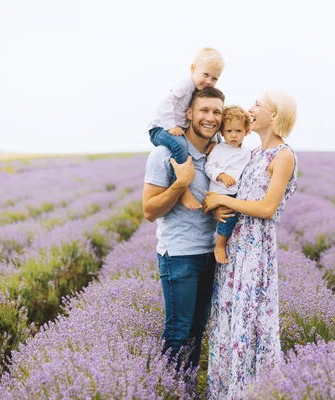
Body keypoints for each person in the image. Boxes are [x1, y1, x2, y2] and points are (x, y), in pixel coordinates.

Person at [203, 90, 298, 399]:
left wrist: (223, 199)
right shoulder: (254, 154)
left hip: (256, 251)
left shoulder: (283, 155)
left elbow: (268, 209)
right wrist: (219, 204)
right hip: (237, 246)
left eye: (258, 104)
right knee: (229, 320)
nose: (250, 109)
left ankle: (253, 392)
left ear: (275, 115)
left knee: (252, 321)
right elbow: (238, 197)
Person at [142, 87, 225, 370]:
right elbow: (149, 211)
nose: (210, 118)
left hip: (210, 254)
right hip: (179, 255)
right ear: (189, 113)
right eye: (204, 110)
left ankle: (186, 387)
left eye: (217, 112)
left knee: (196, 333)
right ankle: (168, 388)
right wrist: (180, 184)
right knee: (178, 333)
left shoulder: (219, 156)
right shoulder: (164, 154)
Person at [146, 47, 224, 210]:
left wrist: (216, 141)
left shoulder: (199, 91)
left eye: (214, 78)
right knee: (180, 146)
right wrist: (170, 127)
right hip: (160, 128)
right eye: (206, 75)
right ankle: (184, 190)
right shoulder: (185, 85)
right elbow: (166, 103)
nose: (209, 81)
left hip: (208, 235)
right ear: (193, 69)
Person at [204, 105, 252, 264]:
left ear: (246, 131)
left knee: (240, 219)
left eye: (238, 131)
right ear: (222, 132)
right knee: (228, 217)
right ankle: (220, 245)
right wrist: (221, 175)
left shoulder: (247, 151)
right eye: (229, 131)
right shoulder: (218, 149)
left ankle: (234, 245)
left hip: (237, 192)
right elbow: (209, 167)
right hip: (221, 192)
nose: (233, 135)